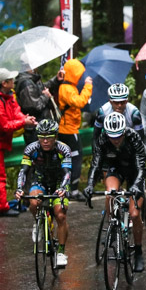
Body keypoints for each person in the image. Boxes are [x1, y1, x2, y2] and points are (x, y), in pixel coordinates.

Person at [84, 112, 146, 272]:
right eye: (112, 136)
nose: (116, 140)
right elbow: (95, 164)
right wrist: (90, 184)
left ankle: (138, 251)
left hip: (135, 171)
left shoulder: (133, 137)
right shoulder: (103, 140)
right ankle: (113, 224)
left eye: (119, 136)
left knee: (134, 214)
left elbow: (141, 168)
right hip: (116, 168)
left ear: (124, 132)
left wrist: (136, 186)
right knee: (111, 192)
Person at [0, 68, 37, 216]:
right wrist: (23, 122)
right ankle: (1, 207)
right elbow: (3, 125)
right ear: (4, 83)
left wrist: (25, 119)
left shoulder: (8, 95)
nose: (14, 81)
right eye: (11, 80)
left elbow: (15, 111)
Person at [15, 119, 71, 266]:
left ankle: (61, 252)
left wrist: (63, 188)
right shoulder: (31, 149)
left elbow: (67, 173)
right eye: (41, 137)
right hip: (40, 180)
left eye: (49, 137)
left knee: (60, 214)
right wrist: (19, 188)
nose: (45, 141)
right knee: (33, 203)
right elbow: (24, 171)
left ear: (56, 137)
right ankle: (39, 223)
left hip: (59, 182)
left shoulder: (63, 149)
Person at [57, 59, 93, 202]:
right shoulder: (66, 89)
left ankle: (67, 188)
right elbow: (80, 102)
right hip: (68, 130)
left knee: (68, 159)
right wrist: (88, 87)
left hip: (67, 128)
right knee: (76, 159)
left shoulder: (67, 87)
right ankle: (73, 190)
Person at [15, 67, 63, 145]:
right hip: (35, 129)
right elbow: (35, 106)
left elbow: (41, 89)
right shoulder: (26, 83)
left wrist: (56, 79)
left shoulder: (32, 78)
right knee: (39, 155)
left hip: (43, 126)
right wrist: (46, 96)